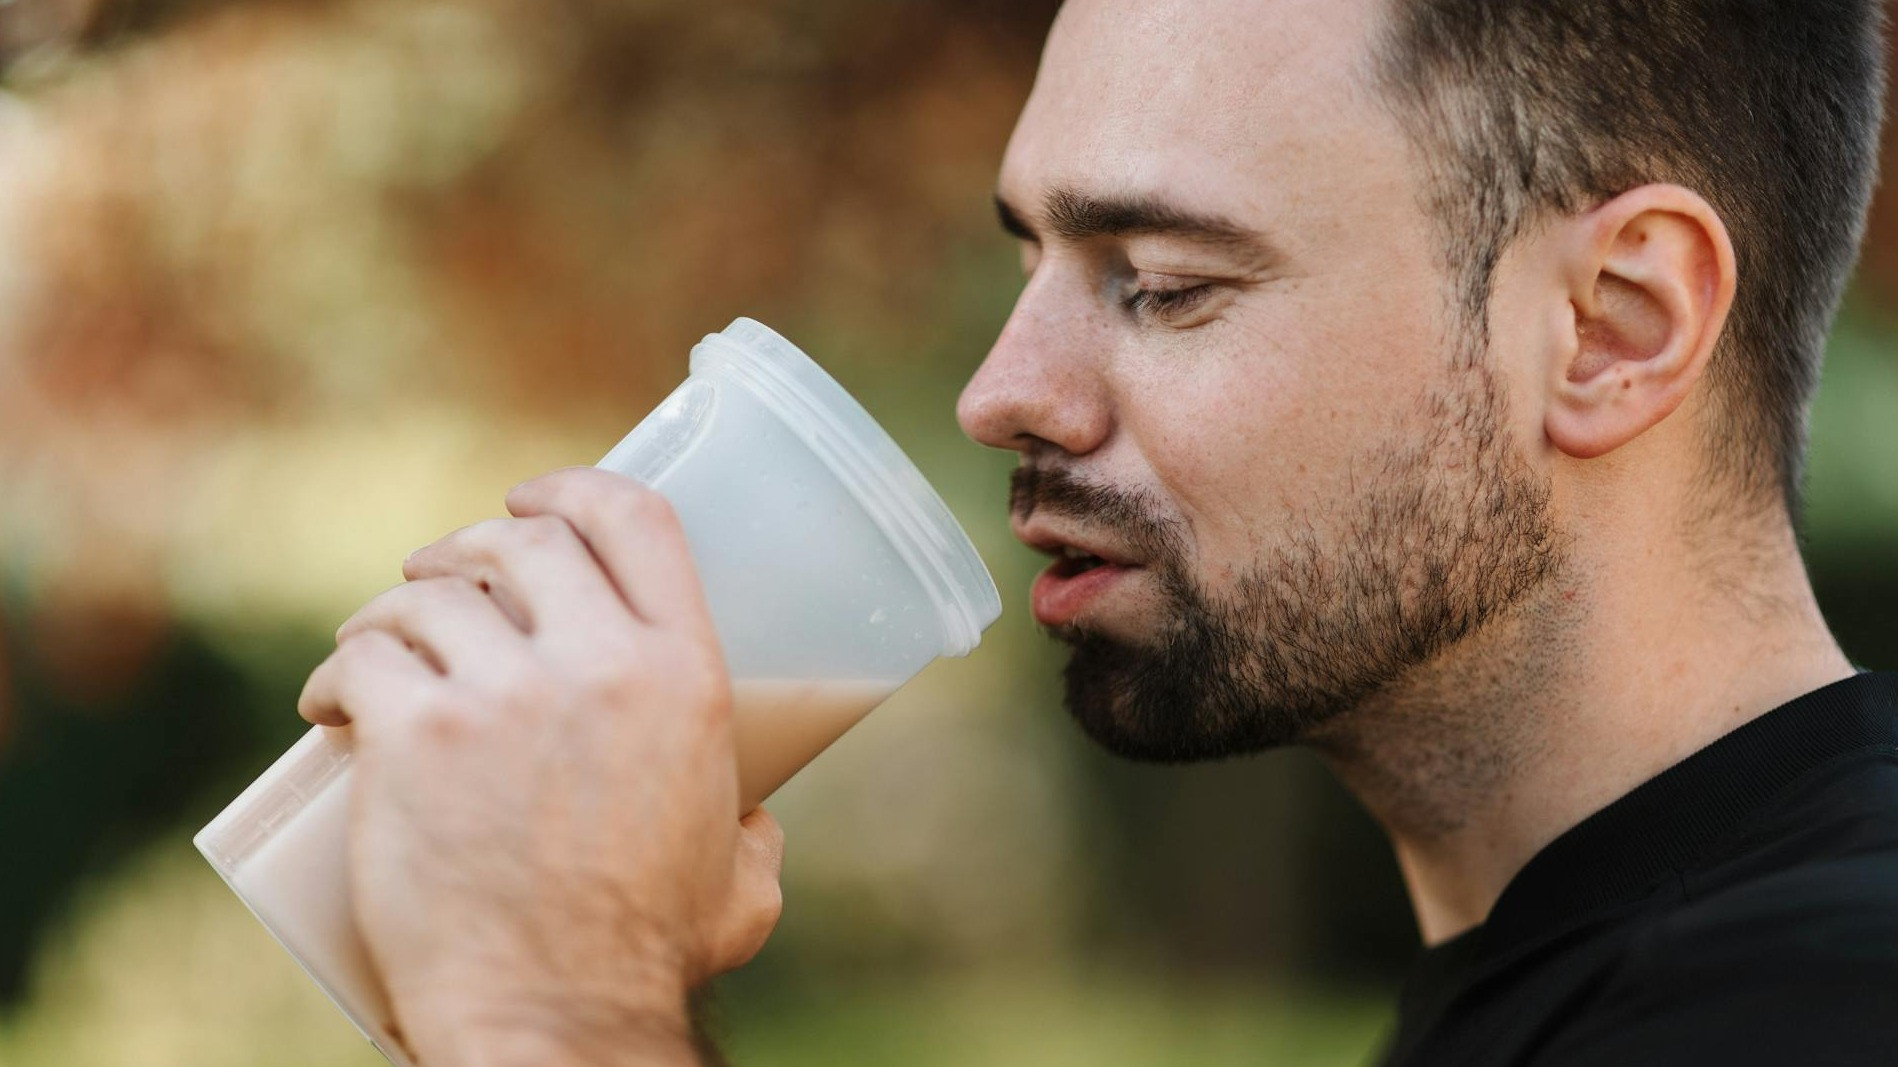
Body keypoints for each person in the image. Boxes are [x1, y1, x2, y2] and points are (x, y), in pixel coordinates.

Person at [296, 0, 1898, 1063]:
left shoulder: (1822, 995)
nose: (1003, 393)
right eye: (1030, 266)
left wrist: (558, 1004)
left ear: (1612, 328)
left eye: (1163, 283)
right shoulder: (1562, 986)